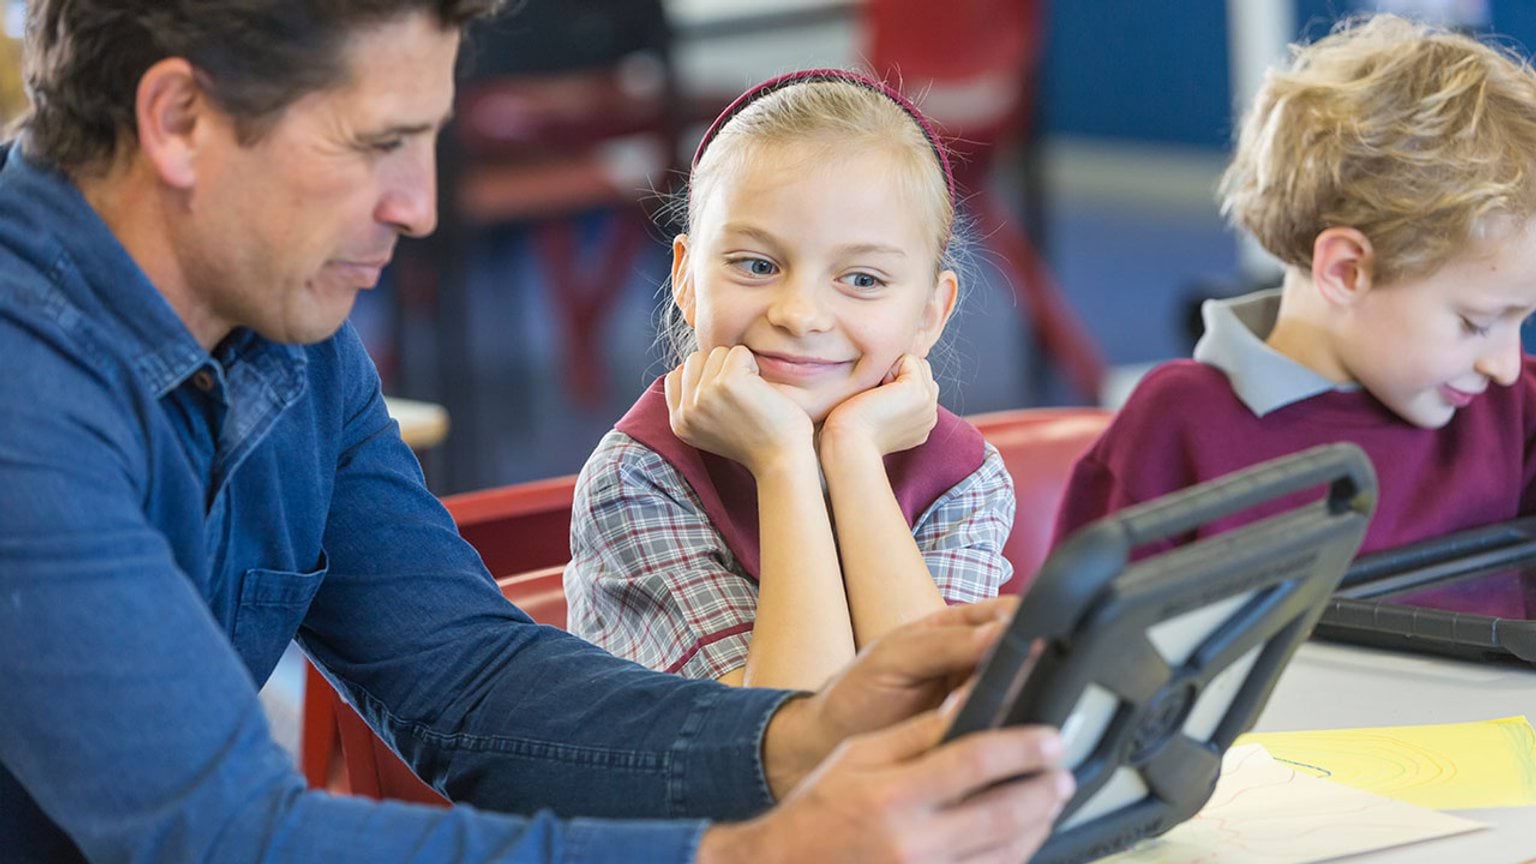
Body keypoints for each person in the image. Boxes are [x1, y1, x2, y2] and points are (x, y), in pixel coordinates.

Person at [0, 3, 1079, 863]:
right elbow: (221, 834)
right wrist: (757, 852)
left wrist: (805, 737)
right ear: (179, 119)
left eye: (428, 141)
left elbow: (466, 684)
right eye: (380, 143)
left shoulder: (286, 329)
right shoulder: (23, 401)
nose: (418, 205)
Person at [562, 70, 1016, 690]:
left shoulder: (963, 477)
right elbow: (780, 743)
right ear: (688, 279)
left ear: (930, 313)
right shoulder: (638, 481)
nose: (799, 315)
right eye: (757, 265)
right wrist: (783, 462)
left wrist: (852, 454)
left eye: (862, 279)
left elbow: (935, 715)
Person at [1054, 14, 1536, 570]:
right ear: (1346, 272)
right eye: (1477, 323)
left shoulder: (1509, 409)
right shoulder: (1178, 428)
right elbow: (1082, 648)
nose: (1505, 363)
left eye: (1521, 321)